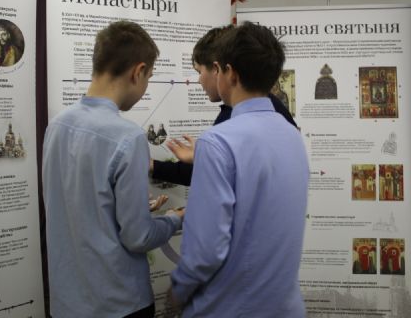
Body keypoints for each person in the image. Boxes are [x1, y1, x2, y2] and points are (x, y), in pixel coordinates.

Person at [42, 21, 184, 318]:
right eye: (149, 78)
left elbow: (78, 204)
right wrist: (173, 219)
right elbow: (138, 238)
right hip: (119, 303)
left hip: (67, 304)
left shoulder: (56, 125)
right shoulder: (127, 137)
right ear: (138, 72)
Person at [170, 22, 309, 317]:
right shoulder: (292, 135)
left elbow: (205, 251)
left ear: (228, 73)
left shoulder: (218, 142)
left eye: (214, 69)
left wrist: (178, 290)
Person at [150, 25, 297, 186]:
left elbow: (213, 184)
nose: (199, 80)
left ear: (219, 69)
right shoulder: (286, 126)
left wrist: (208, 153)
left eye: (199, 72)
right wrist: (205, 156)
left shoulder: (225, 131)